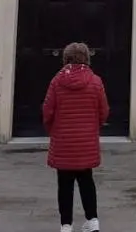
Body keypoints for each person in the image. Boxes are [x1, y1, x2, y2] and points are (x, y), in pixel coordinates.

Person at [43, 41, 110, 232]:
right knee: (87, 181)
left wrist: (53, 130)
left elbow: (48, 111)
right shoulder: (95, 81)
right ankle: (93, 220)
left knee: (64, 185)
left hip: (63, 142)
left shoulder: (56, 81)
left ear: (66, 59)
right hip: (86, 141)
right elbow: (104, 111)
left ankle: (66, 225)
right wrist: (93, 128)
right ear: (87, 58)